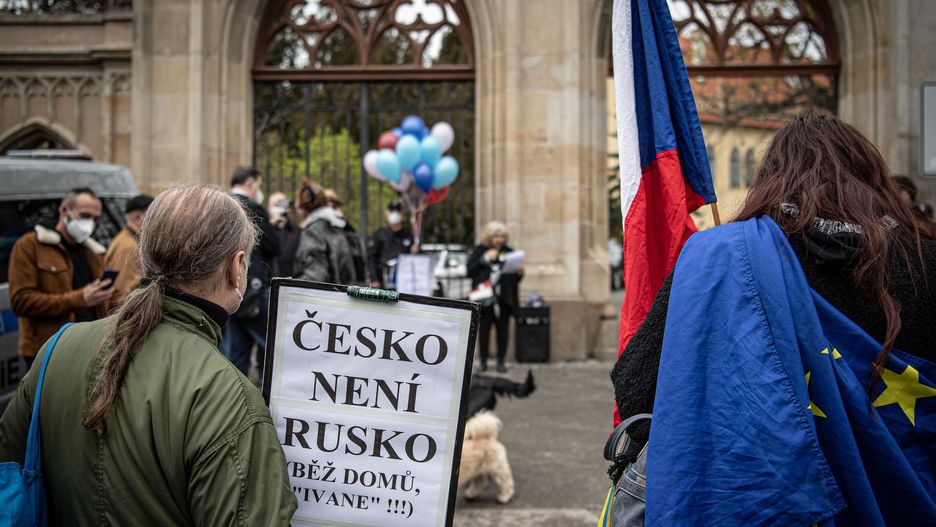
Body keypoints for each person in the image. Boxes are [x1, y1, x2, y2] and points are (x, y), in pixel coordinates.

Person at [610, 114, 936, 523]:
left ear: (770, 180)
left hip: (759, 504)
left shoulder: (720, 257)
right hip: (906, 499)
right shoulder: (927, 264)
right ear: (875, 179)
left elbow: (635, 387)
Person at [0, 183, 297, 524]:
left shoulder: (56, 350)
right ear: (237, 266)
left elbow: (9, 473)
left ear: (144, 257)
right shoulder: (228, 397)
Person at [8, 187, 114, 369]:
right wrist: (79, 299)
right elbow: (21, 301)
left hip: (89, 347)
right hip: (47, 351)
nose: (90, 223)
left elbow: (109, 299)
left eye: (95, 218)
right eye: (85, 215)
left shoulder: (94, 252)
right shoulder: (30, 245)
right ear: (64, 210)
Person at [221, 166, 280, 377]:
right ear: (250, 182)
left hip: (226, 288)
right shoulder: (252, 208)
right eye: (259, 185)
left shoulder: (219, 205)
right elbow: (275, 245)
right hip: (252, 288)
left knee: (236, 351)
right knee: (271, 348)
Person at [467, 221, 523, 373]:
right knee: (484, 331)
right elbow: (469, 270)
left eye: (502, 236)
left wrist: (519, 274)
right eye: (496, 236)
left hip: (503, 299)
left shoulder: (509, 252)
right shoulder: (480, 250)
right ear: (489, 237)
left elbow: (514, 281)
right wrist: (484, 259)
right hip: (485, 299)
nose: (499, 239)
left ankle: (501, 361)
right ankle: (483, 361)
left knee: (503, 331)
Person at [293, 181, 362, 284]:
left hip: (327, 296)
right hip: (346, 294)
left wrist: (293, 289)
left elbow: (315, 275)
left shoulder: (313, 231)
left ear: (302, 207)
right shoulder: (343, 226)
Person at [104, 194, 154, 308]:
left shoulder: (129, 240)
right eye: (156, 217)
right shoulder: (128, 247)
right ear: (139, 217)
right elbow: (123, 296)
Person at [367, 201, 416, 288]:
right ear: (387, 213)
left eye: (398, 211)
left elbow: (416, 261)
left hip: (403, 282)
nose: (395, 214)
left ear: (402, 214)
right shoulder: (380, 234)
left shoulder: (409, 235)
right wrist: (374, 279)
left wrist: (415, 253)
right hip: (383, 280)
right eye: (392, 211)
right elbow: (371, 258)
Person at [324, 188, 367, 285]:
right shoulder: (316, 229)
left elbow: (357, 256)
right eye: (326, 202)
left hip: (346, 280)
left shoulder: (346, 229)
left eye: (333, 203)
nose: (330, 205)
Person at [267, 191, 301, 278]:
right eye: (275, 204)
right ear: (268, 208)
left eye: (282, 203)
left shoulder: (297, 231)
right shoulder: (264, 231)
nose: (279, 207)